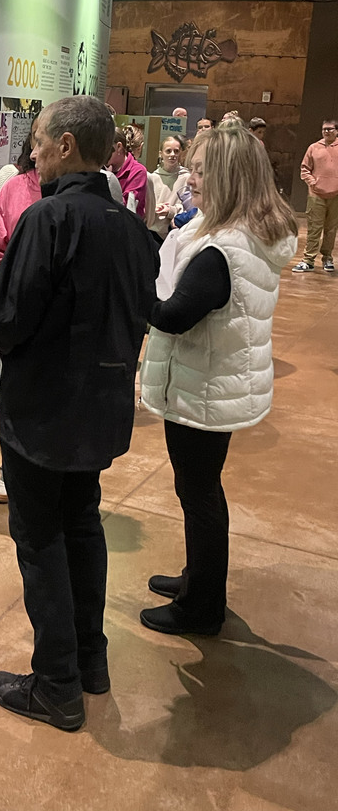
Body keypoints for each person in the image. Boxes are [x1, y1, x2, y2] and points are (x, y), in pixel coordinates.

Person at [0, 96, 158, 732]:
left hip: (43, 414)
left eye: (40, 143)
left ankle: (56, 685)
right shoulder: (131, 230)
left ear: (67, 147)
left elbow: (10, 322)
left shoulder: (47, 220)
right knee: (83, 526)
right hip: (101, 411)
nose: (34, 154)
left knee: (40, 538)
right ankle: (90, 661)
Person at [139, 126, 297, 636]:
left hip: (205, 386)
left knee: (199, 494)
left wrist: (130, 286)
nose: (191, 178)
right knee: (203, 491)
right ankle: (197, 580)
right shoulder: (244, 235)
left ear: (228, 176)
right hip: (215, 382)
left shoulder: (221, 251)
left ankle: (201, 606)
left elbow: (173, 316)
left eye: (202, 170)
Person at [0, 133, 42, 503]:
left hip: (60, 325)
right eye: (34, 142)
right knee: (13, 397)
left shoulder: (92, 190)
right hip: (18, 316)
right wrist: (5, 301)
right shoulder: (14, 186)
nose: (37, 151)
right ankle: (9, 470)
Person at [292, 118, 338, 273]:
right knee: (314, 228)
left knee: (331, 229)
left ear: (336, 131)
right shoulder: (313, 147)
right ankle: (308, 260)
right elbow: (304, 169)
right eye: (324, 129)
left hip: (336, 196)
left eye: (330, 129)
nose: (326, 131)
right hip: (316, 195)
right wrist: (313, 182)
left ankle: (327, 259)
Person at [149, 135, 191, 242]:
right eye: (168, 151)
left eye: (176, 151)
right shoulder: (152, 178)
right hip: (154, 232)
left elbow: (191, 208)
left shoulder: (186, 177)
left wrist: (171, 211)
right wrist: (154, 207)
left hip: (176, 232)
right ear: (161, 153)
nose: (172, 155)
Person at [107, 126, 149, 217]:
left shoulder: (138, 171)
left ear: (119, 147)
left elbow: (127, 206)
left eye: (107, 148)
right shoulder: (101, 167)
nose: (102, 152)